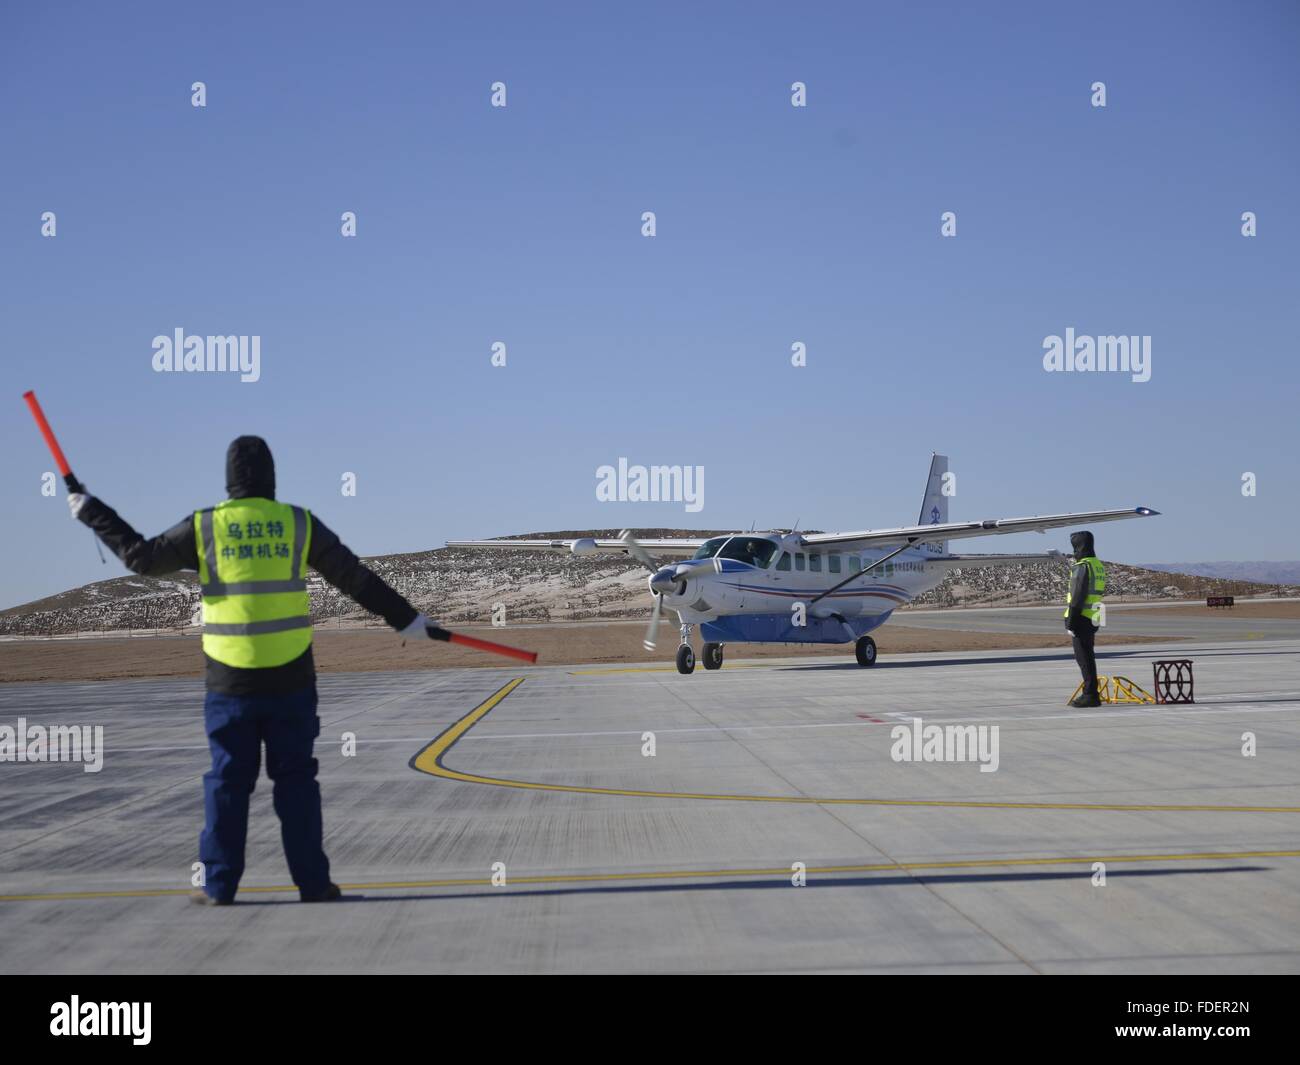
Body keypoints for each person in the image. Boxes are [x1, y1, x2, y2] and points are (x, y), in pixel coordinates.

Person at [68, 436, 433, 905]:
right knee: (297, 782)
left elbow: (141, 557)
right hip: (292, 679)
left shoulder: (206, 527)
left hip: (230, 680)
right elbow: (355, 578)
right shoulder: (298, 523)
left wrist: (91, 510)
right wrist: (407, 619)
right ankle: (314, 884)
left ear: (229, 478)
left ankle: (218, 885)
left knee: (227, 782)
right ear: (272, 476)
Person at [1064, 530, 1105, 708]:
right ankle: (1091, 692)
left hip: (1081, 617)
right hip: (1093, 616)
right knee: (1089, 656)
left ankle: (1090, 695)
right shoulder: (1097, 565)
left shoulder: (1082, 566)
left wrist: (1071, 620)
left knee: (1084, 659)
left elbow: (1077, 595)